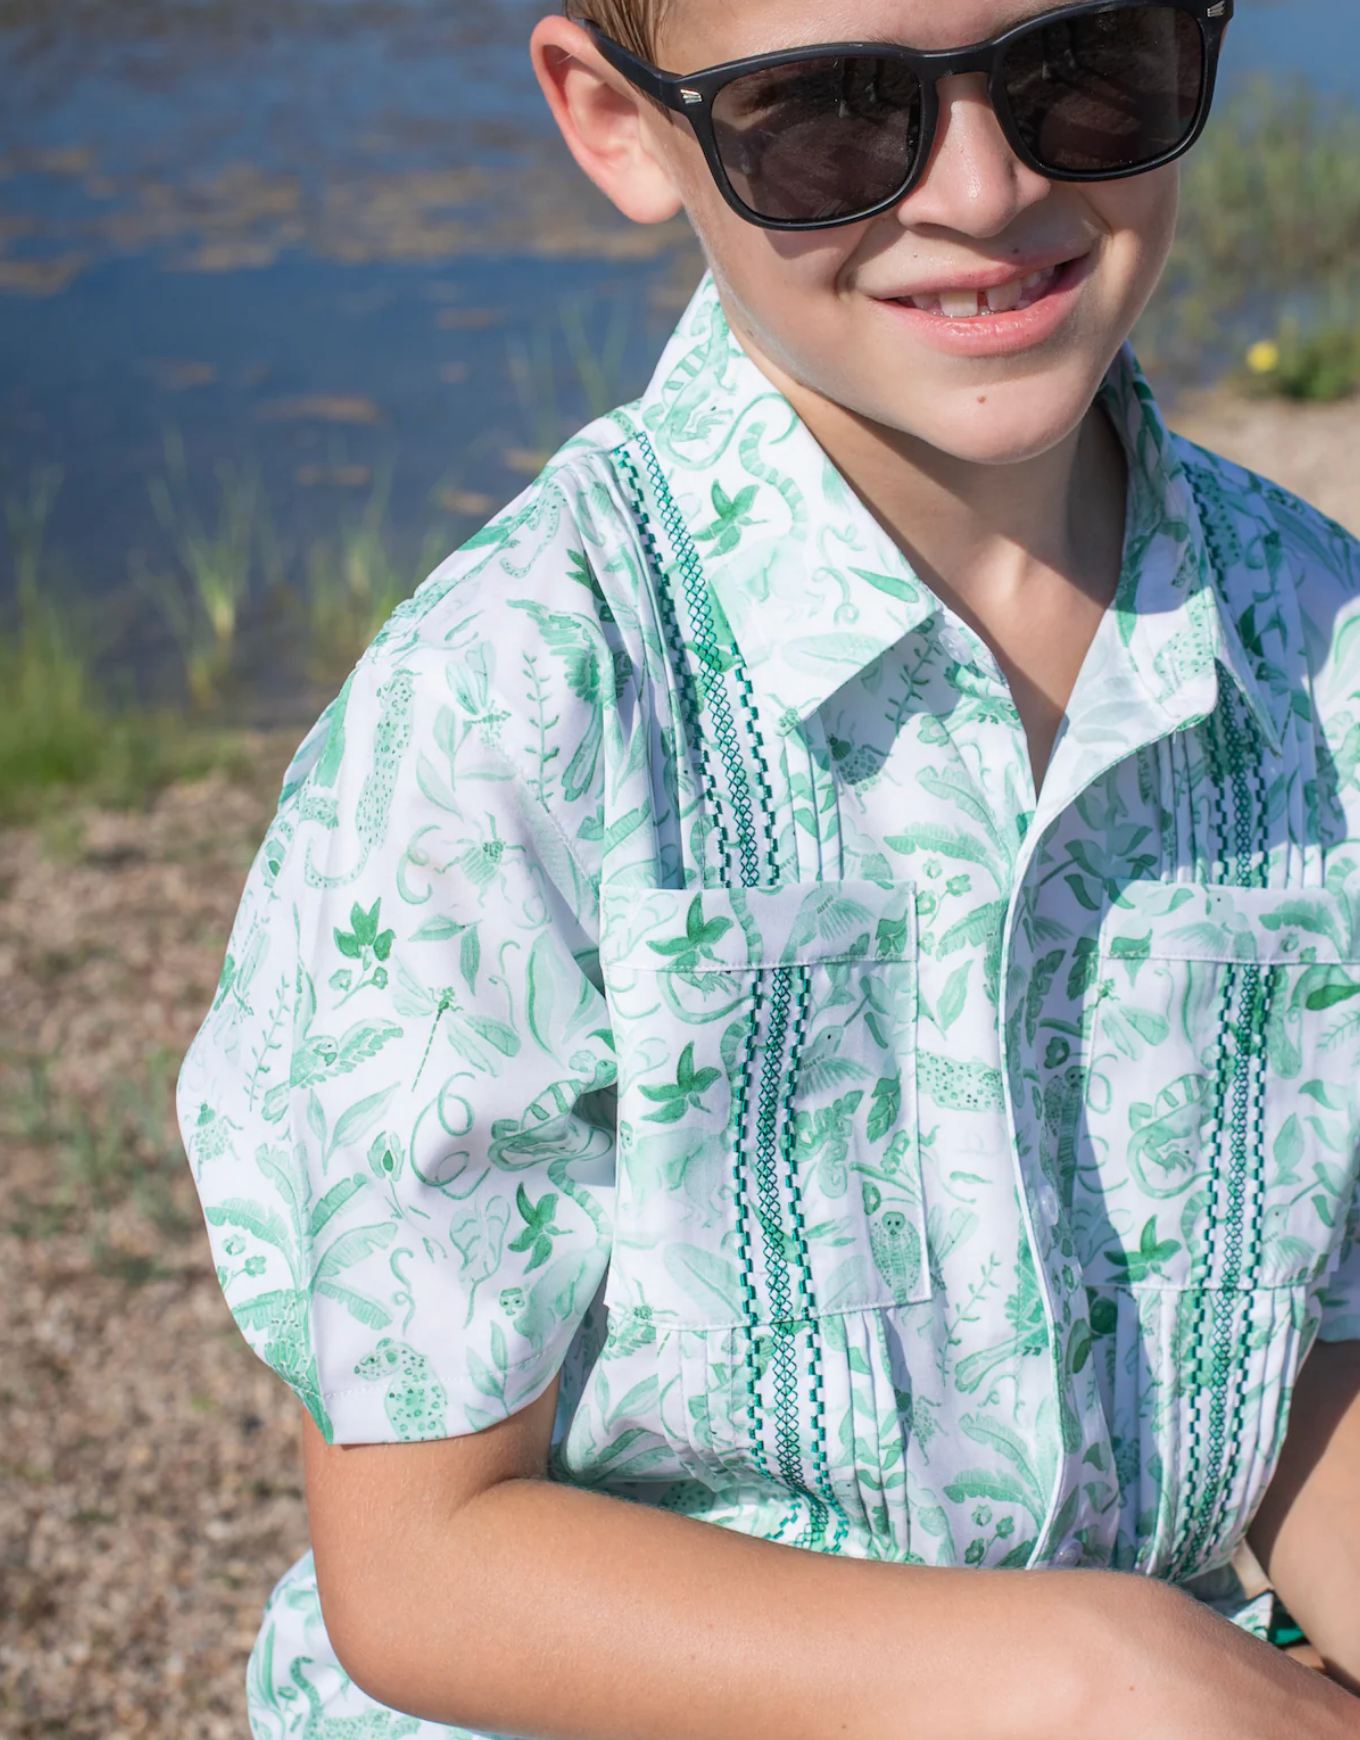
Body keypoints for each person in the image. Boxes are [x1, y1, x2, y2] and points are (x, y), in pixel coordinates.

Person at [178, 0, 1360, 1734]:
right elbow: (423, 1564)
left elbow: (1307, 1335)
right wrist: (1086, 1672)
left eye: (1086, 64)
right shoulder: (506, 706)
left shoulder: (1319, 650)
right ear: (619, 120)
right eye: (829, 114)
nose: (982, 187)